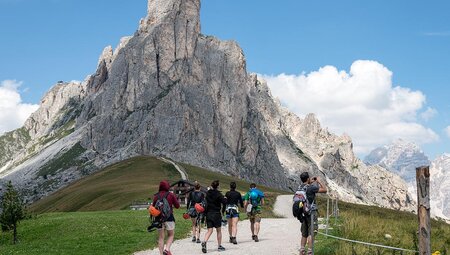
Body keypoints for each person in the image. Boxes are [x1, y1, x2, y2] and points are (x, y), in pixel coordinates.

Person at [297, 172, 327, 255]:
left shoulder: (300, 187)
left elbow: (306, 186)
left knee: (304, 233)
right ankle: (310, 251)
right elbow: (324, 190)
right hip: (311, 213)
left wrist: (310, 181)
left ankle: (302, 251)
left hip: (303, 213)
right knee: (312, 232)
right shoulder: (311, 188)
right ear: (307, 179)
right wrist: (319, 181)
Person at [152, 180, 180, 255]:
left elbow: (153, 207)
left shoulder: (156, 196)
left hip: (158, 219)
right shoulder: (171, 195)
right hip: (169, 217)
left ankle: (161, 254)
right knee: (171, 235)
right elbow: (177, 206)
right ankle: (166, 250)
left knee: (161, 238)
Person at [201, 180, 226, 253]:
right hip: (216, 214)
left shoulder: (208, 193)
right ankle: (219, 246)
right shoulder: (219, 194)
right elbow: (224, 202)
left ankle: (204, 242)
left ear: (211, 186)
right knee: (218, 230)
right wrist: (225, 198)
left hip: (208, 213)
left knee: (209, 230)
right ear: (218, 186)